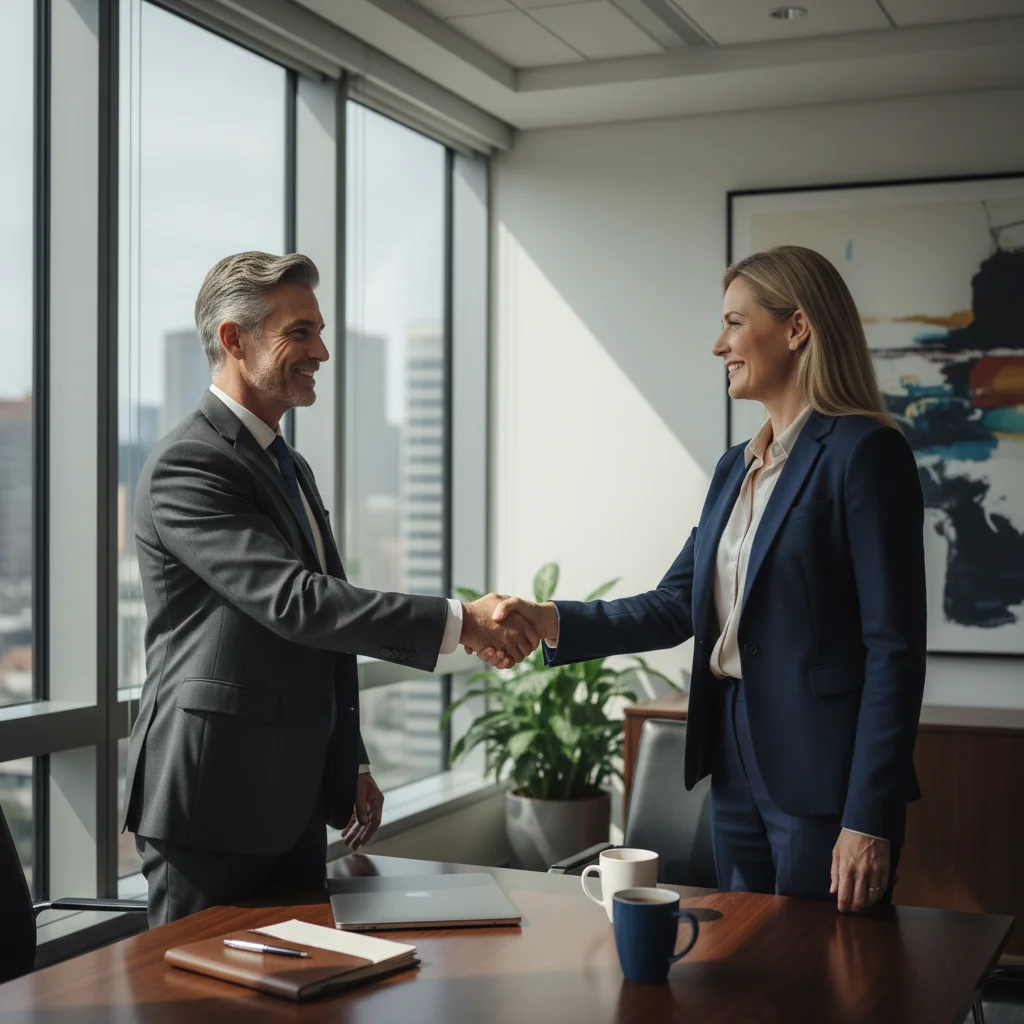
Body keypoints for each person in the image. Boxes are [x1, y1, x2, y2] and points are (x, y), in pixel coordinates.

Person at [484, 246, 926, 914]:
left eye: (734, 323)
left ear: (797, 328)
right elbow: (674, 605)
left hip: (824, 772)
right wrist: (545, 618)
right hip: (733, 753)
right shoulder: (733, 469)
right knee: (742, 964)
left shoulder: (865, 454)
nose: (718, 344)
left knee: (821, 976)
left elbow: (894, 650)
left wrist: (867, 816)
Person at [122, 251, 537, 925]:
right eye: (300, 332)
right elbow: (297, 604)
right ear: (234, 339)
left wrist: (351, 762)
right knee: (198, 999)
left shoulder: (288, 464)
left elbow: (318, 635)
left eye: (318, 331)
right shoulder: (189, 464)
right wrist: (467, 620)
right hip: (213, 802)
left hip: (289, 798)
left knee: (299, 991)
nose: (322, 350)